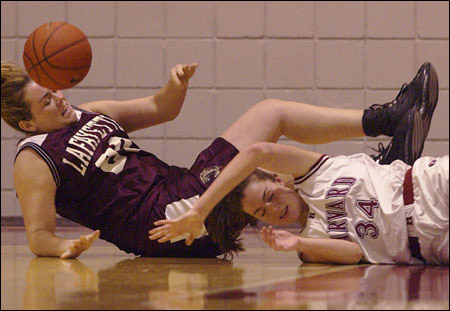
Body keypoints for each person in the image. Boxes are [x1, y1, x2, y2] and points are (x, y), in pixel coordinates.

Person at [1, 59, 436, 259]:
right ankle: (389, 138)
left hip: (178, 189)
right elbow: (38, 233)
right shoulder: (35, 159)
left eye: (52, 90)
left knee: (272, 120)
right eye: (45, 101)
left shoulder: (89, 113)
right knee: (269, 120)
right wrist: (65, 247)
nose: (58, 99)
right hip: (162, 223)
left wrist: (175, 85)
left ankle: (388, 122)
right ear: (25, 124)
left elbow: (160, 108)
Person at [149, 64, 448, 265]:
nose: (275, 209)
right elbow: (355, 252)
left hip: (431, 185)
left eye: (270, 197)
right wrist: (295, 245)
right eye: (263, 213)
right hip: (426, 242)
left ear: (279, 181)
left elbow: (257, 152)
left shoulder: (311, 173)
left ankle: (391, 131)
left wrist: (199, 210)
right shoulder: (309, 239)